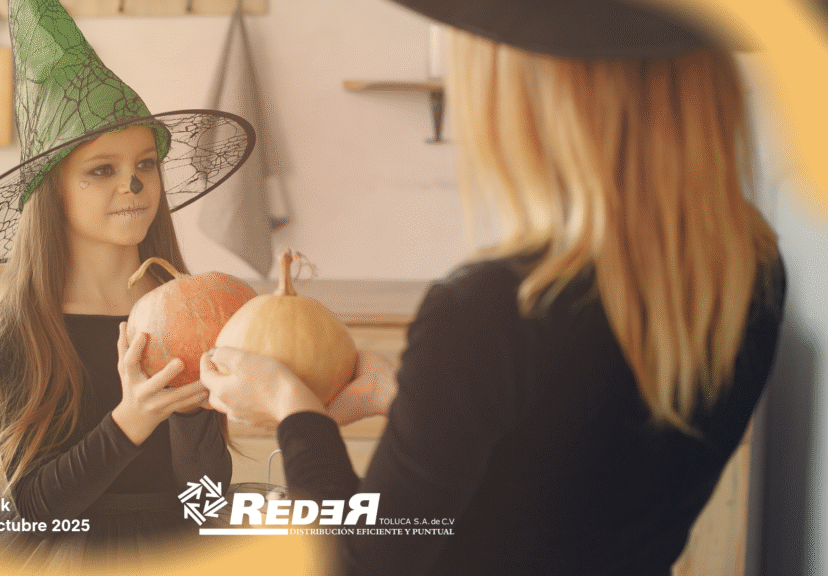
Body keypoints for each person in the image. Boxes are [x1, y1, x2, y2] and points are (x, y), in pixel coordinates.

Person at [199, 1, 786, 574]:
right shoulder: (745, 274)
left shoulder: (491, 312)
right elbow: (565, 469)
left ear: (534, 92)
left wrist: (293, 411)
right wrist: (413, 397)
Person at [0, 0, 255, 568]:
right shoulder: (26, 327)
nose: (132, 182)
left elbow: (204, 506)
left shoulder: (196, 312)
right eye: (101, 169)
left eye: (146, 164)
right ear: (53, 193)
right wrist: (133, 418)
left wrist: (190, 418)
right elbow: (34, 511)